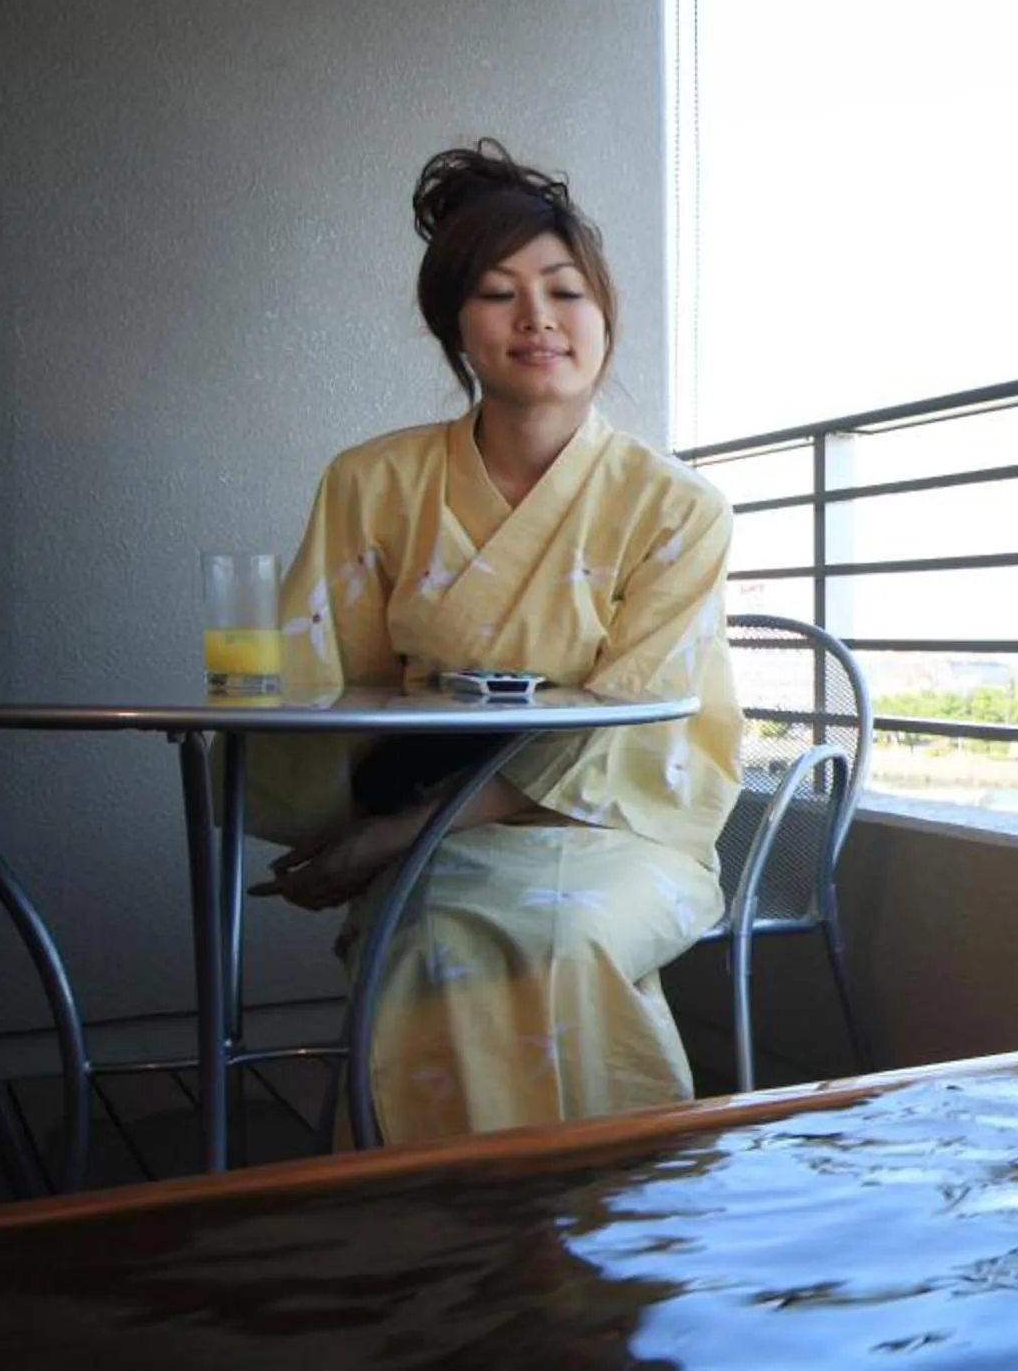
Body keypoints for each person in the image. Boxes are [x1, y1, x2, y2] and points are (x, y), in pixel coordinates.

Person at [248, 141, 740, 1143]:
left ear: (604, 315)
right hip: (433, 816)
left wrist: (398, 836)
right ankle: (452, 1219)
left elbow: (632, 733)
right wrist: (350, 819)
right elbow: (318, 680)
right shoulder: (373, 483)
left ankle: (603, 1205)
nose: (538, 319)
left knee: (557, 930)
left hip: (618, 827)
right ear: (454, 328)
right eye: (497, 293)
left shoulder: (677, 507)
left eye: (565, 291)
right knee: (436, 933)